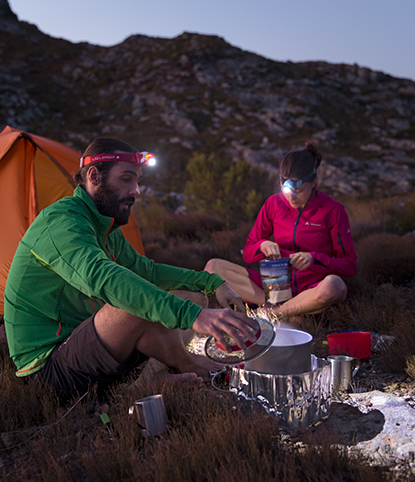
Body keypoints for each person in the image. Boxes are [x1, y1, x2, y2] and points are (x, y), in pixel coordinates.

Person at [4, 137, 259, 397]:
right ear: (94, 176)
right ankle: (178, 368)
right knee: (131, 301)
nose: (136, 190)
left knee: (191, 295)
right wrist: (193, 317)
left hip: (88, 345)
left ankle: (149, 380)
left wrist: (211, 282)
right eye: (126, 179)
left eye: (137, 181)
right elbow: (104, 278)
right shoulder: (61, 222)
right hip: (49, 370)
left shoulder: (104, 225)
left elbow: (146, 270)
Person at [205, 142, 357, 317]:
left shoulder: (333, 210)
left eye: (299, 191)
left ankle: (275, 313)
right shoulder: (273, 204)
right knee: (213, 267)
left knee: (334, 286)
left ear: (313, 182)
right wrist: (262, 245)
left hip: (312, 288)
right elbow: (248, 253)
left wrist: (314, 259)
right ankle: (278, 310)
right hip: (274, 286)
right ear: (280, 181)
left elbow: (350, 266)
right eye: (286, 190)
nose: (291, 197)